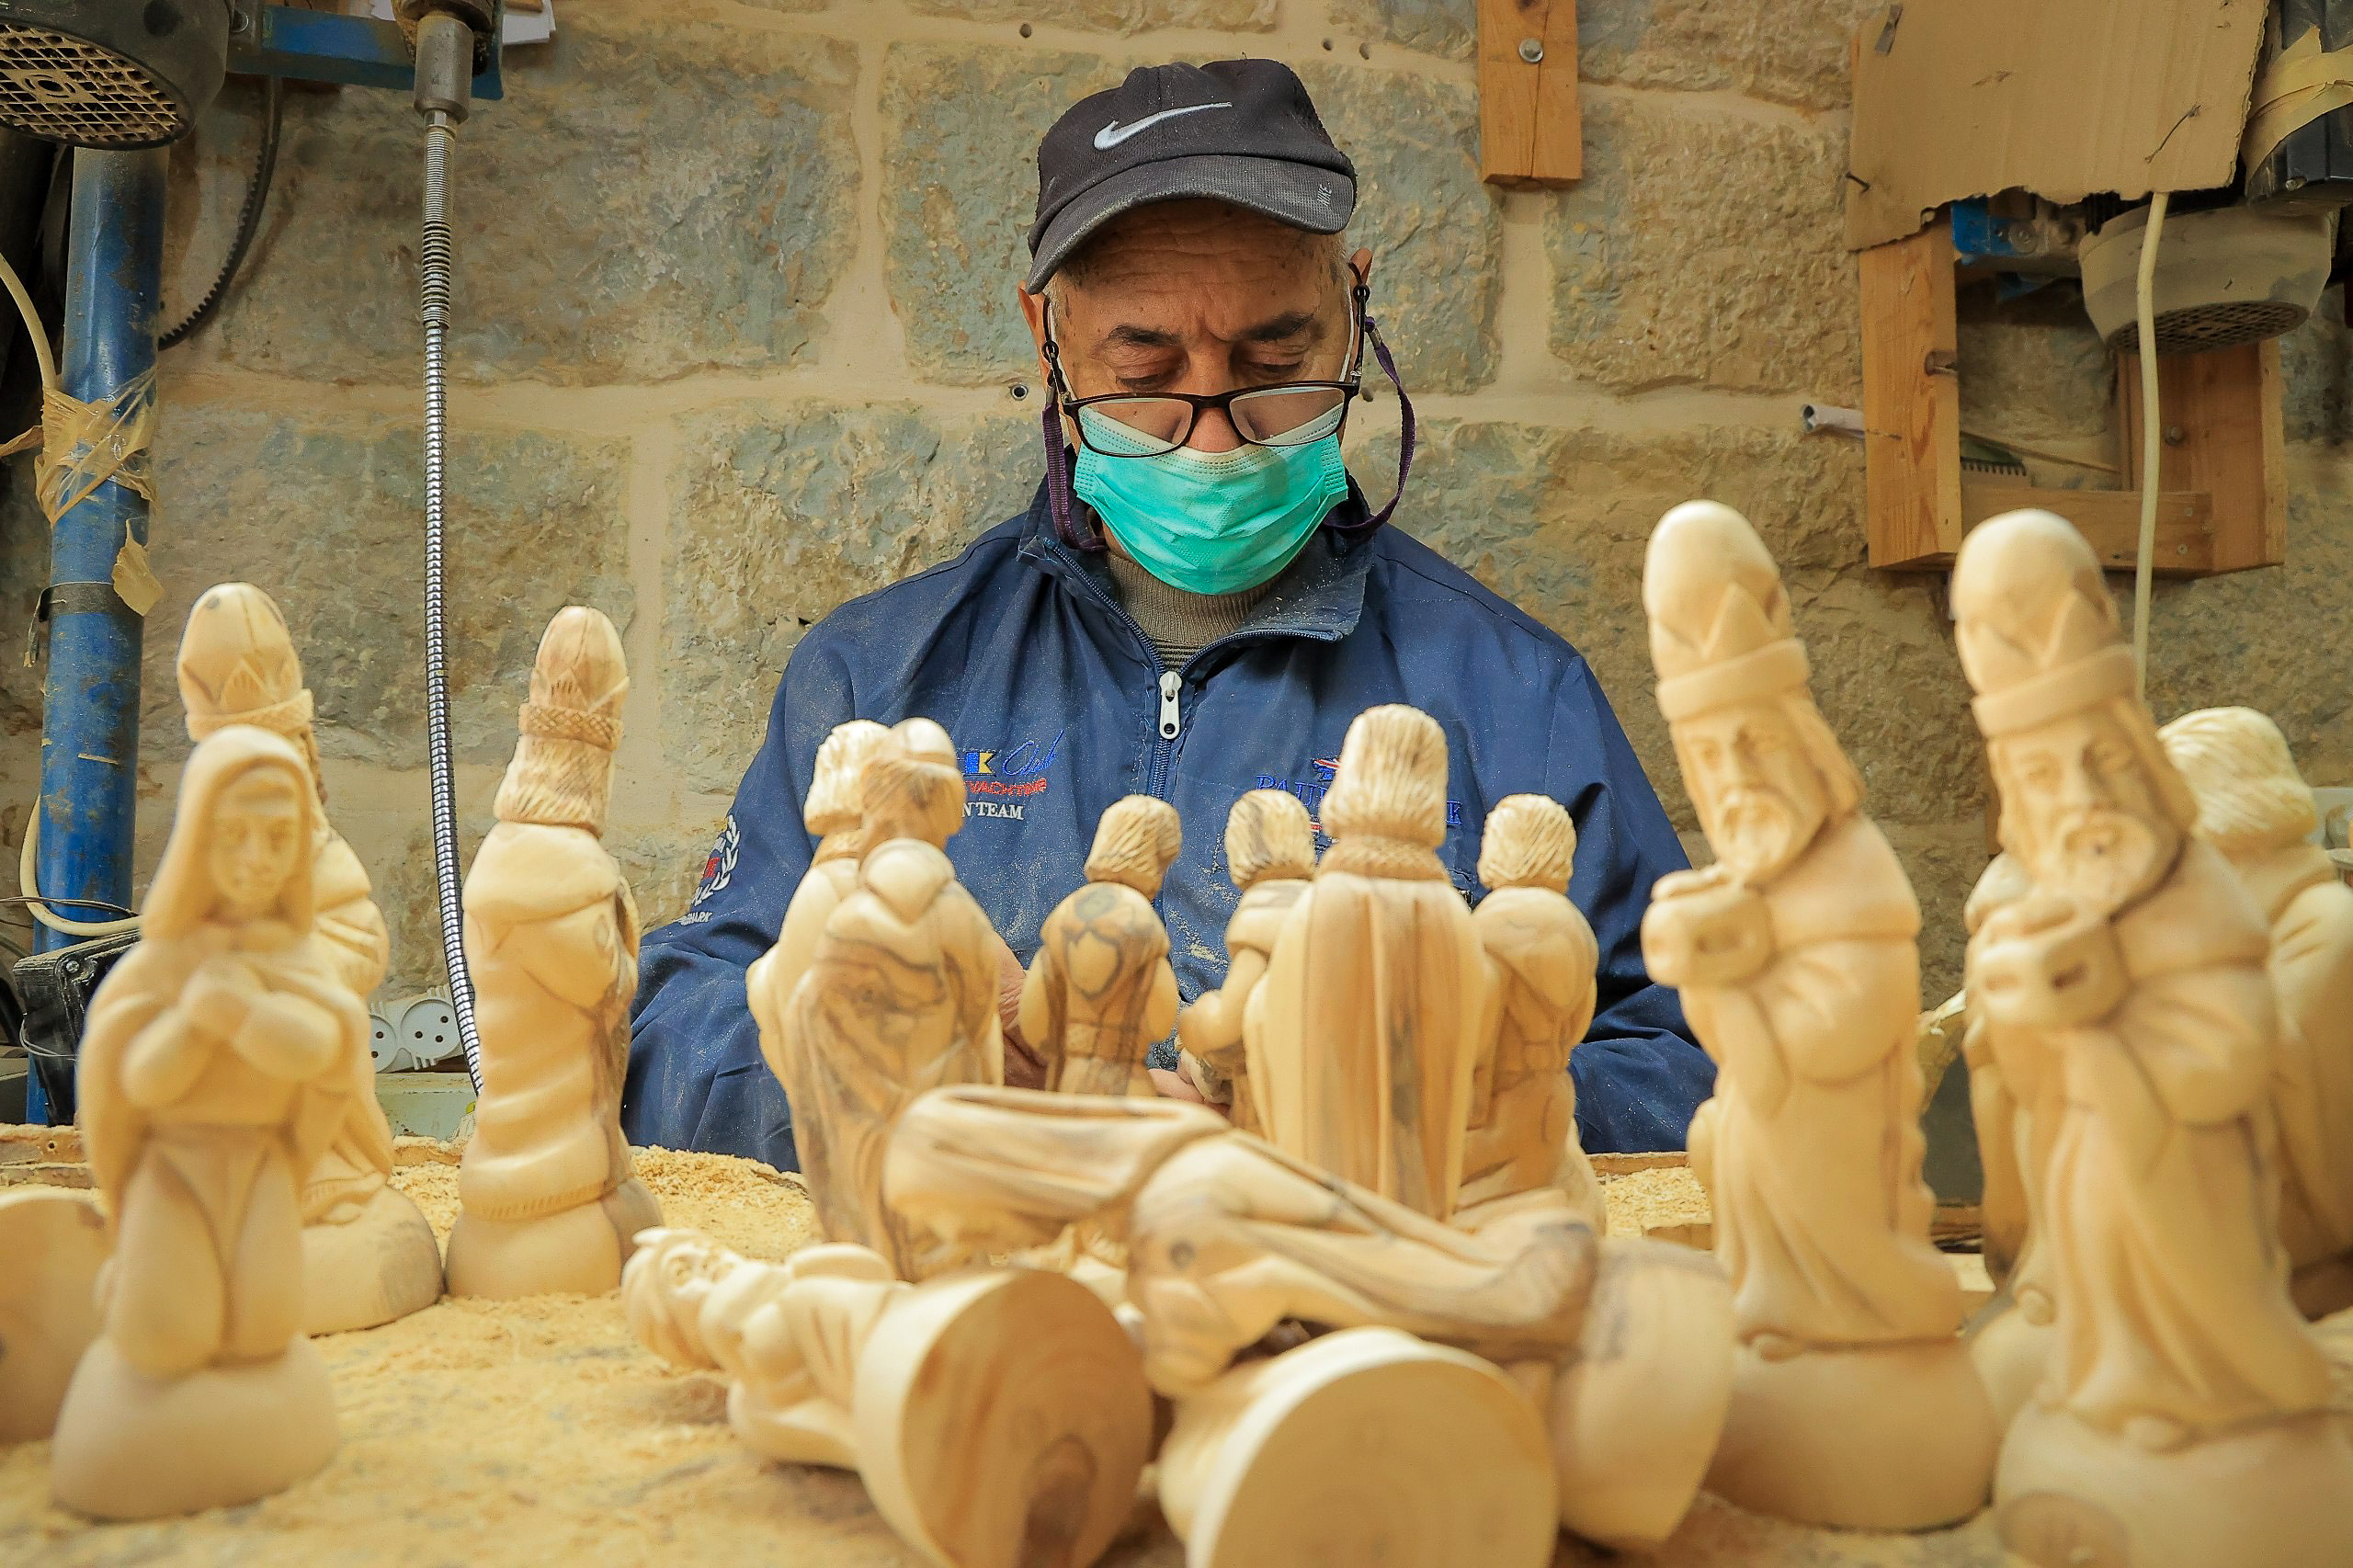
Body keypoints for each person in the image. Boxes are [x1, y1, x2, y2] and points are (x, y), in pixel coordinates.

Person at [623, 59, 1711, 1167]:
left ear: (1354, 311)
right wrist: (924, 1083)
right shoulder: (875, 680)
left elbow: (1690, 1058)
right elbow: (669, 1038)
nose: (1215, 439)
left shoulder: (1517, 696)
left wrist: (1388, 1111)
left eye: (1274, 358)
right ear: (1046, 338)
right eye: (1144, 368)